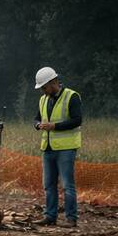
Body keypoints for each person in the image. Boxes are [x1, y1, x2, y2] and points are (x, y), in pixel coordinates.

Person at [33, 67, 83, 227]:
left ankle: (71, 218)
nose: (43, 90)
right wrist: (38, 125)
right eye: (41, 88)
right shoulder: (43, 99)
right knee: (48, 185)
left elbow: (77, 120)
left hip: (66, 149)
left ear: (53, 82)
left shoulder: (72, 96)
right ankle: (50, 216)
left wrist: (55, 126)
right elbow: (36, 119)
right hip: (47, 148)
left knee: (67, 185)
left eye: (44, 87)